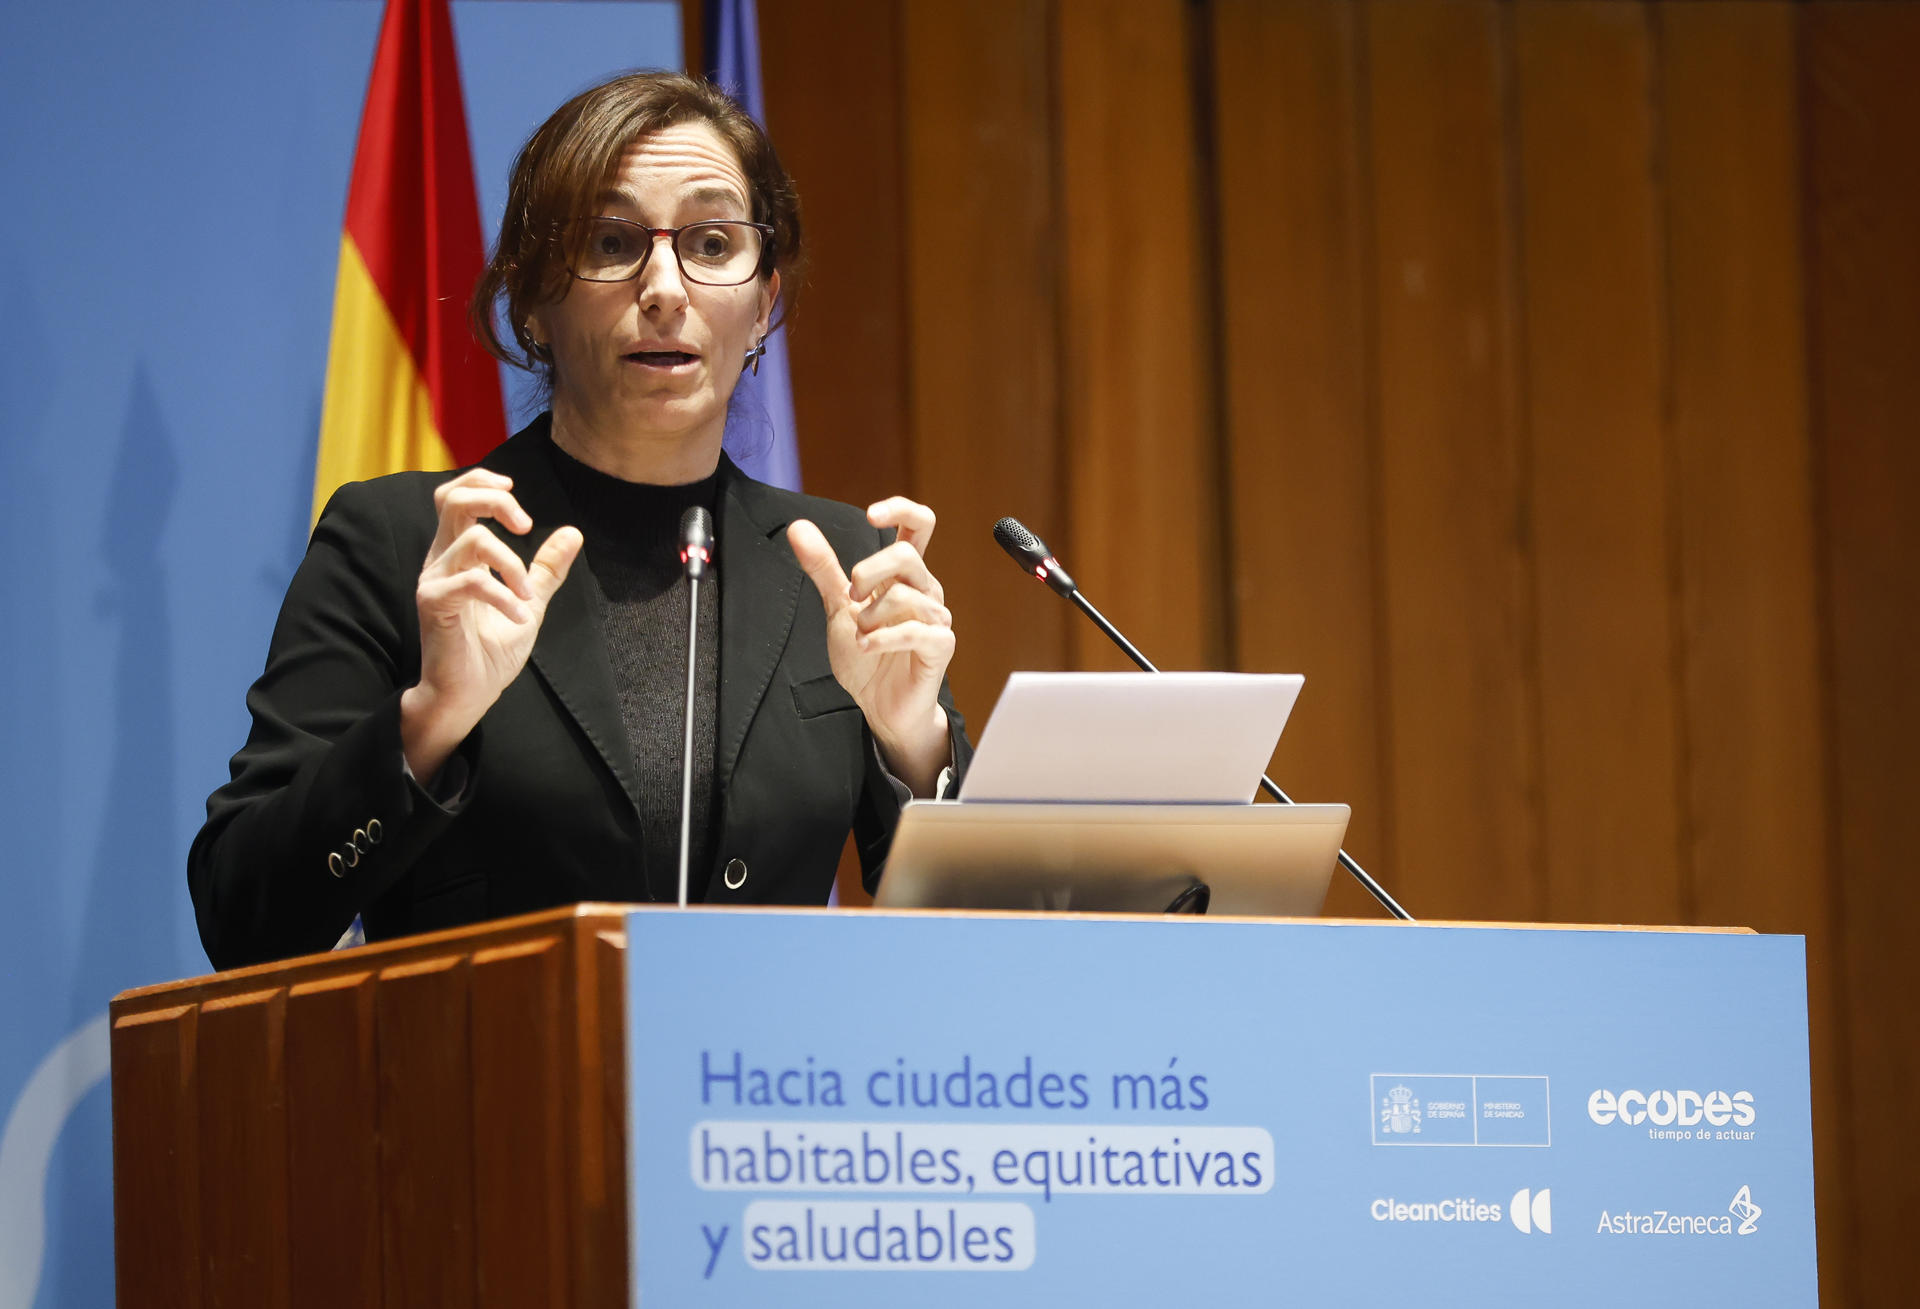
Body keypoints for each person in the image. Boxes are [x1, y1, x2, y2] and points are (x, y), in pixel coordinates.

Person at [188, 72, 969, 971]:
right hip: (487, 1098)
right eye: (612, 240)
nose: (667, 287)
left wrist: (916, 745)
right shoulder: (409, 544)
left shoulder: (838, 566)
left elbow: (993, 943)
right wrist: (430, 719)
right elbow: (240, 914)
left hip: (768, 1100)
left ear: (763, 305)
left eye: (713, 243)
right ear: (528, 297)